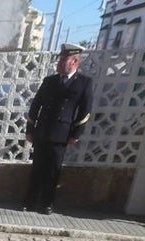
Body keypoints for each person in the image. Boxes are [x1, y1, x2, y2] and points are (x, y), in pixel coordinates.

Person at [23, 43, 94, 215]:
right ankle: (30, 201)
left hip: (61, 134)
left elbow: (85, 111)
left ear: (75, 61)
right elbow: (36, 106)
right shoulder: (49, 81)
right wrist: (30, 129)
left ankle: (47, 203)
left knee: (53, 170)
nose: (59, 63)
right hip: (43, 131)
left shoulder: (84, 83)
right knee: (37, 168)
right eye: (60, 60)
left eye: (64, 60)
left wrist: (76, 133)